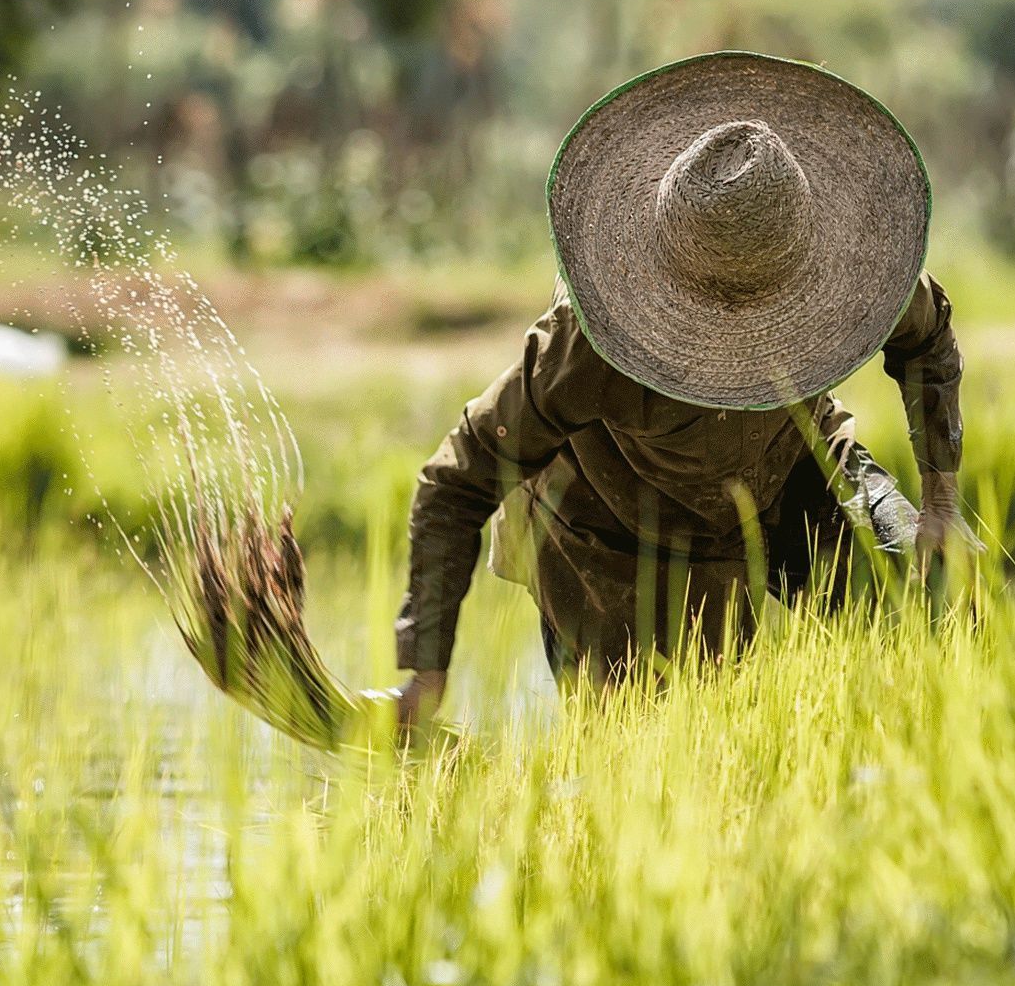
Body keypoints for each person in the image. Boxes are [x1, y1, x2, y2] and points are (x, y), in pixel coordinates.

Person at [395, 52, 977, 728]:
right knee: (660, 746)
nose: (745, 351)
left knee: (938, 591)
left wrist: (941, 502)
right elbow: (457, 480)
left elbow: (928, 339)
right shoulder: (585, 344)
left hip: (788, 463)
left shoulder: (863, 272)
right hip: (612, 525)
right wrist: (425, 670)